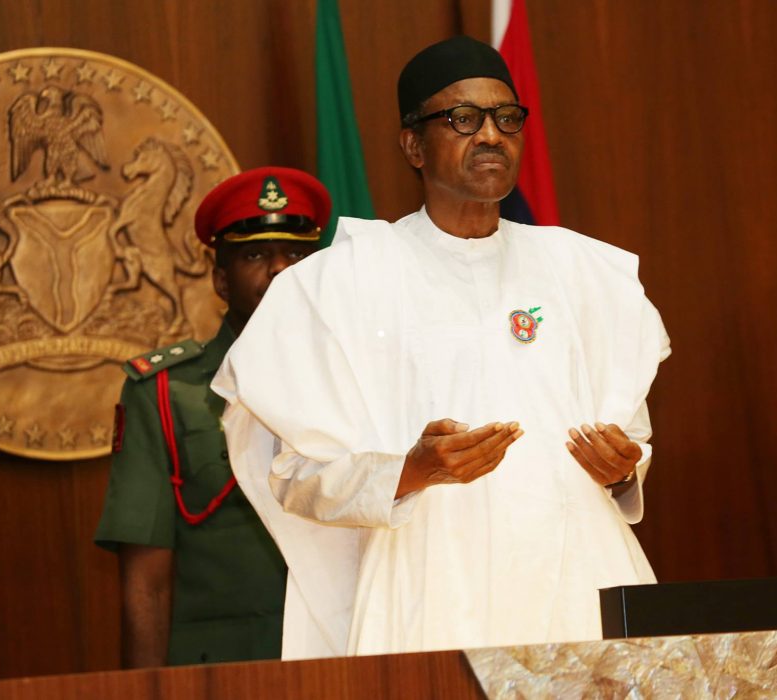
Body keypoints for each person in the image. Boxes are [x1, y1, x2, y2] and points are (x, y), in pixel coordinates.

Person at [213, 35, 670, 659]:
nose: (491, 135)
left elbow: (629, 440)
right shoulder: (338, 285)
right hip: (428, 591)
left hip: (577, 580)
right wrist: (410, 470)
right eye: (463, 119)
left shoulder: (584, 271)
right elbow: (294, 479)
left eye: (507, 118)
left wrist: (623, 471)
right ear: (412, 144)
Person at [94, 167, 331, 667]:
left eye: (297, 255)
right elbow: (147, 581)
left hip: (344, 659)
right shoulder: (165, 391)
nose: (279, 271)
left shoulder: (355, 382)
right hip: (222, 672)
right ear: (221, 280)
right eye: (255, 256)